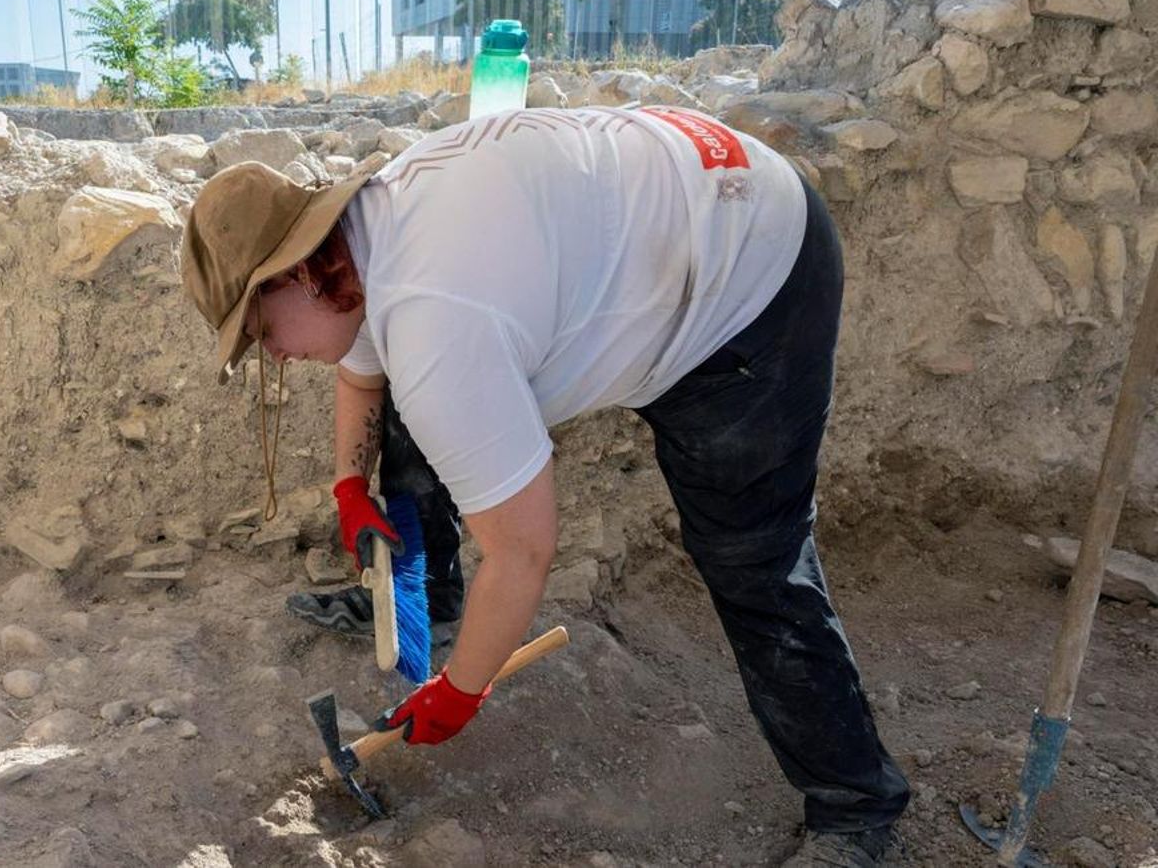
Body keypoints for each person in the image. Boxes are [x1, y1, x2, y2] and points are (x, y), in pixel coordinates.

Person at [180, 104, 909, 866]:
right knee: (419, 404)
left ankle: (855, 807)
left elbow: (524, 553)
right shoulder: (358, 248)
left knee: (750, 552)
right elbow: (363, 372)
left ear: (299, 272)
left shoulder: (435, 322)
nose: (275, 356)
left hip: (749, 265)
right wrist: (348, 487)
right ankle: (432, 600)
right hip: (674, 210)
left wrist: (461, 691)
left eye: (263, 332)